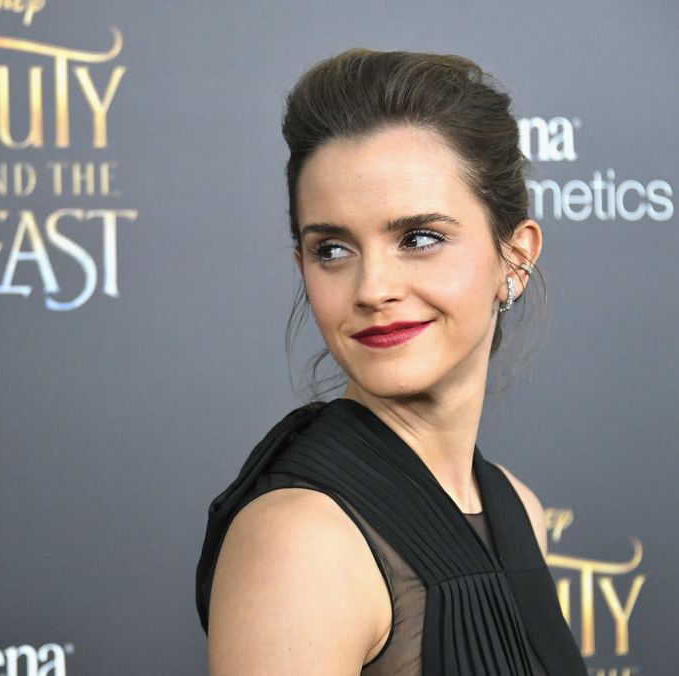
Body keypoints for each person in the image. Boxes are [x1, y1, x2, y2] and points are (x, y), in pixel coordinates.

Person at [195, 49, 588, 675]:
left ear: (515, 258)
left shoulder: (517, 507)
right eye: (332, 249)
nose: (372, 289)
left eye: (419, 238)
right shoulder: (301, 539)